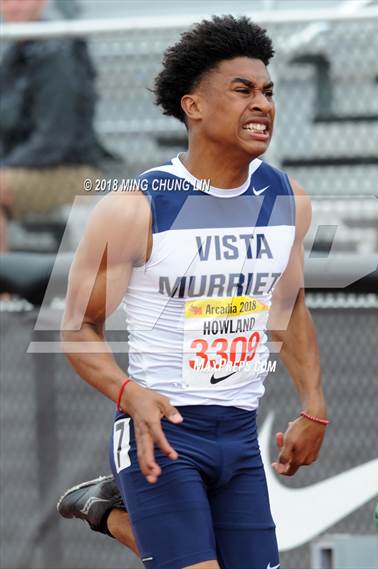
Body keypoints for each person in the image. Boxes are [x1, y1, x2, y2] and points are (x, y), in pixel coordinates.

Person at [58, 16, 328, 569]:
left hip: (239, 431)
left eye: (268, 92)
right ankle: (113, 511)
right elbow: (77, 328)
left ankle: (110, 511)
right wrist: (129, 393)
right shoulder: (136, 208)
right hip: (159, 430)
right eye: (243, 90)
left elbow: (289, 306)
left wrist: (313, 405)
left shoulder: (286, 200)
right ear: (194, 107)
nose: (263, 104)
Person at [0, 0, 112, 251]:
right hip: (25, 167)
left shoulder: (57, 53)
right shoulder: (14, 53)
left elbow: (53, 141)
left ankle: (3, 288)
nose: (12, 5)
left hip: (71, 172)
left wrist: (5, 169)